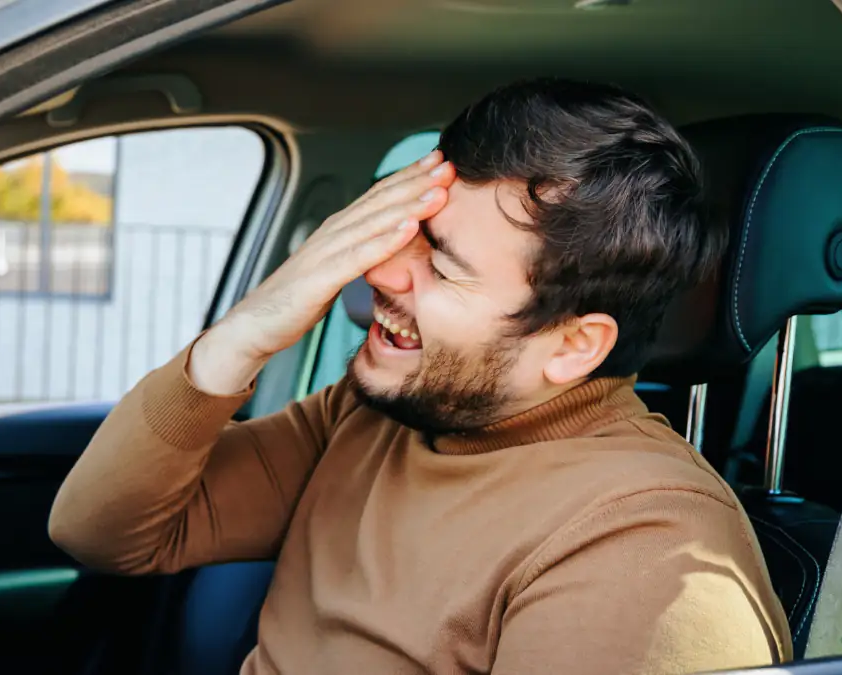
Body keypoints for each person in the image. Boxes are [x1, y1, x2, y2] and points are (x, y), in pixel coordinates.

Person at [48, 78, 791, 675]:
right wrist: (241, 335)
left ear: (571, 345)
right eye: (405, 233)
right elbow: (105, 533)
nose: (380, 271)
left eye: (439, 263)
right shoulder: (372, 415)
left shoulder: (646, 553)